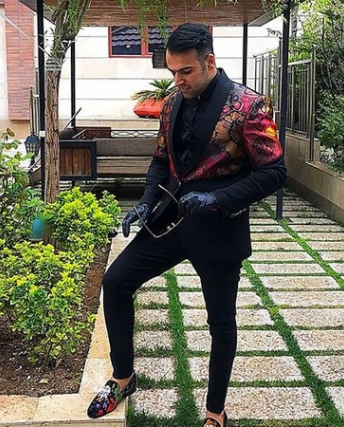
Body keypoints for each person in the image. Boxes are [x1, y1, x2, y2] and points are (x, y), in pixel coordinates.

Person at [87, 22, 286, 427]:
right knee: (116, 282)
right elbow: (161, 160)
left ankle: (215, 412)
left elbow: (275, 172)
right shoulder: (173, 103)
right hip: (170, 222)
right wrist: (146, 202)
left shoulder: (249, 105)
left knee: (220, 323)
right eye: (172, 72)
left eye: (185, 72)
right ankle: (123, 377)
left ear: (209, 61)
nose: (177, 80)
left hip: (219, 229)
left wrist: (217, 199)